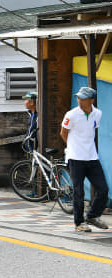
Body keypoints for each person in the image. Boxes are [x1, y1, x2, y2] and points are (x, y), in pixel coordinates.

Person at [60, 87, 109, 232]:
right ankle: (79, 223)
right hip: (75, 158)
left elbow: (92, 131)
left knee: (103, 189)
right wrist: (73, 147)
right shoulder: (72, 114)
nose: (79, 100)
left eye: (83, 98)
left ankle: (93, 216)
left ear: (91, 100)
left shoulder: (97, 114)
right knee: (78, 191)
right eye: (78, 98)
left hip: (92, 157)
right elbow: (63, 133)